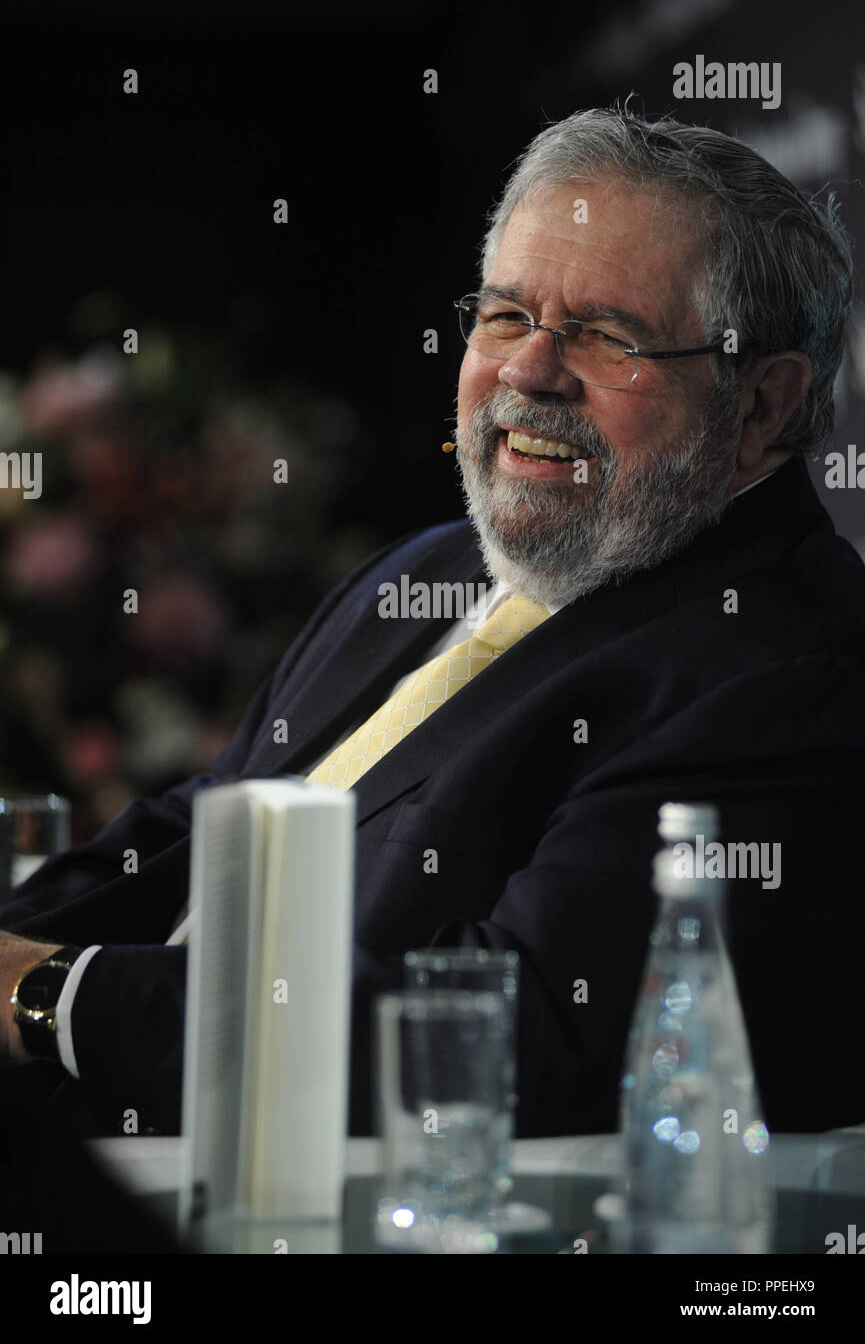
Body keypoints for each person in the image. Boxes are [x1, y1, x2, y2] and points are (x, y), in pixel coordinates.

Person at [2, 105, 865, 1140]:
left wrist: (54, 998)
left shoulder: (792, 672)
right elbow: (207, 818)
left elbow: (521, 1032)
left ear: (762, 404)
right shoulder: (421, 571)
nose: (528, 373)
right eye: (505, 317)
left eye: (605, 335)